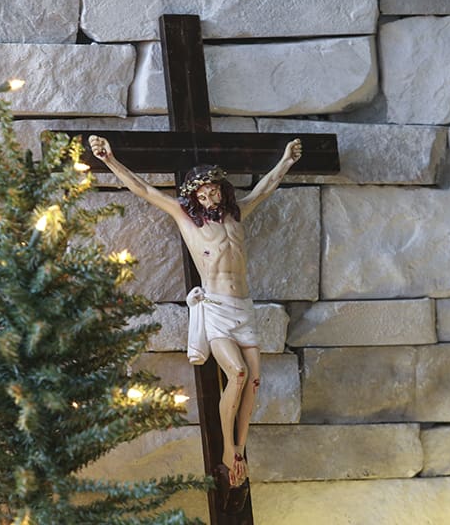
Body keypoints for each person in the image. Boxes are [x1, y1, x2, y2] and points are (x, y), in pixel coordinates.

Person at [88, 134, 302, 507]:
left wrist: (285, 161)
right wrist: (109, 159)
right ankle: (229, 449)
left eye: (213, 192)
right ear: (194, 198)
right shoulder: (186, 219)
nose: (209, 199)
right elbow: (144, 190)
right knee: (235, 374)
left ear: (221, 191)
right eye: (202, 195)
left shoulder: (236, 215)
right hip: (216, 308)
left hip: (243, 307)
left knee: (252, 381)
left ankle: (239, 451)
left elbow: (265, 188)